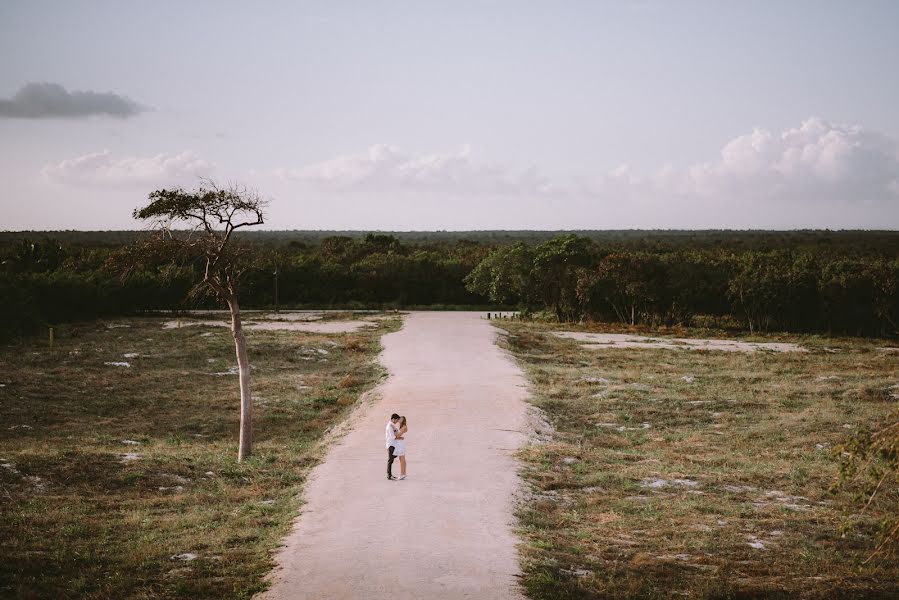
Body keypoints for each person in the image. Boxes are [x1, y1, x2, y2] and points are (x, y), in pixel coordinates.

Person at [386, 413, 401, 480]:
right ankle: (389, 475)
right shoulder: (390, 426)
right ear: (393, 419)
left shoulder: (392, 425)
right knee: (390, 460)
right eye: (396, 420)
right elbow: (392, 436)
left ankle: (389, 475)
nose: (397, 422)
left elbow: (396, 432)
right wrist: (399, 438)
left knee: (391, 460)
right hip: (391, 445)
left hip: (393, 444)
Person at [393, 416, 408, 480]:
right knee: (402, 459)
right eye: (399, 419)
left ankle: (402, 474)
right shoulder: (401, 426)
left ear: (403, 420)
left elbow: (397, 435)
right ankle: (403, 473)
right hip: (400, 443)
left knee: (402, 459)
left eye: (401, 419)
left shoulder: (404, 427)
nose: (399, 420)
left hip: (401, 444)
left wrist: (394, 431)